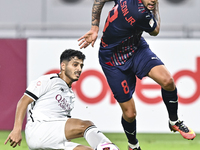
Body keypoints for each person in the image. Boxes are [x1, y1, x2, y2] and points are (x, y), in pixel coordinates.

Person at [78, 0, 196, 150]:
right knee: (130, 113)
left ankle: (174, 121)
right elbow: (156, 30)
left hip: (136, 48)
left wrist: (95, 27)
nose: (152, 0)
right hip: (112, 60)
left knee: (168, 81)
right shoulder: (141, 14)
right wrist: (157, 7)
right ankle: (133, 144)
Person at [4, 49, 119, 150]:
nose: (79, 69)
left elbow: (62, 122)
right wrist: (17, 129)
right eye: (75, 64)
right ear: (63, 66)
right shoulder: (49, 80)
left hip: (52, 139)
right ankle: (109, 147)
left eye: (81, 66)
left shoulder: (70, 95)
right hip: (39, 130)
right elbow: (23, 101)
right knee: (86, 125)